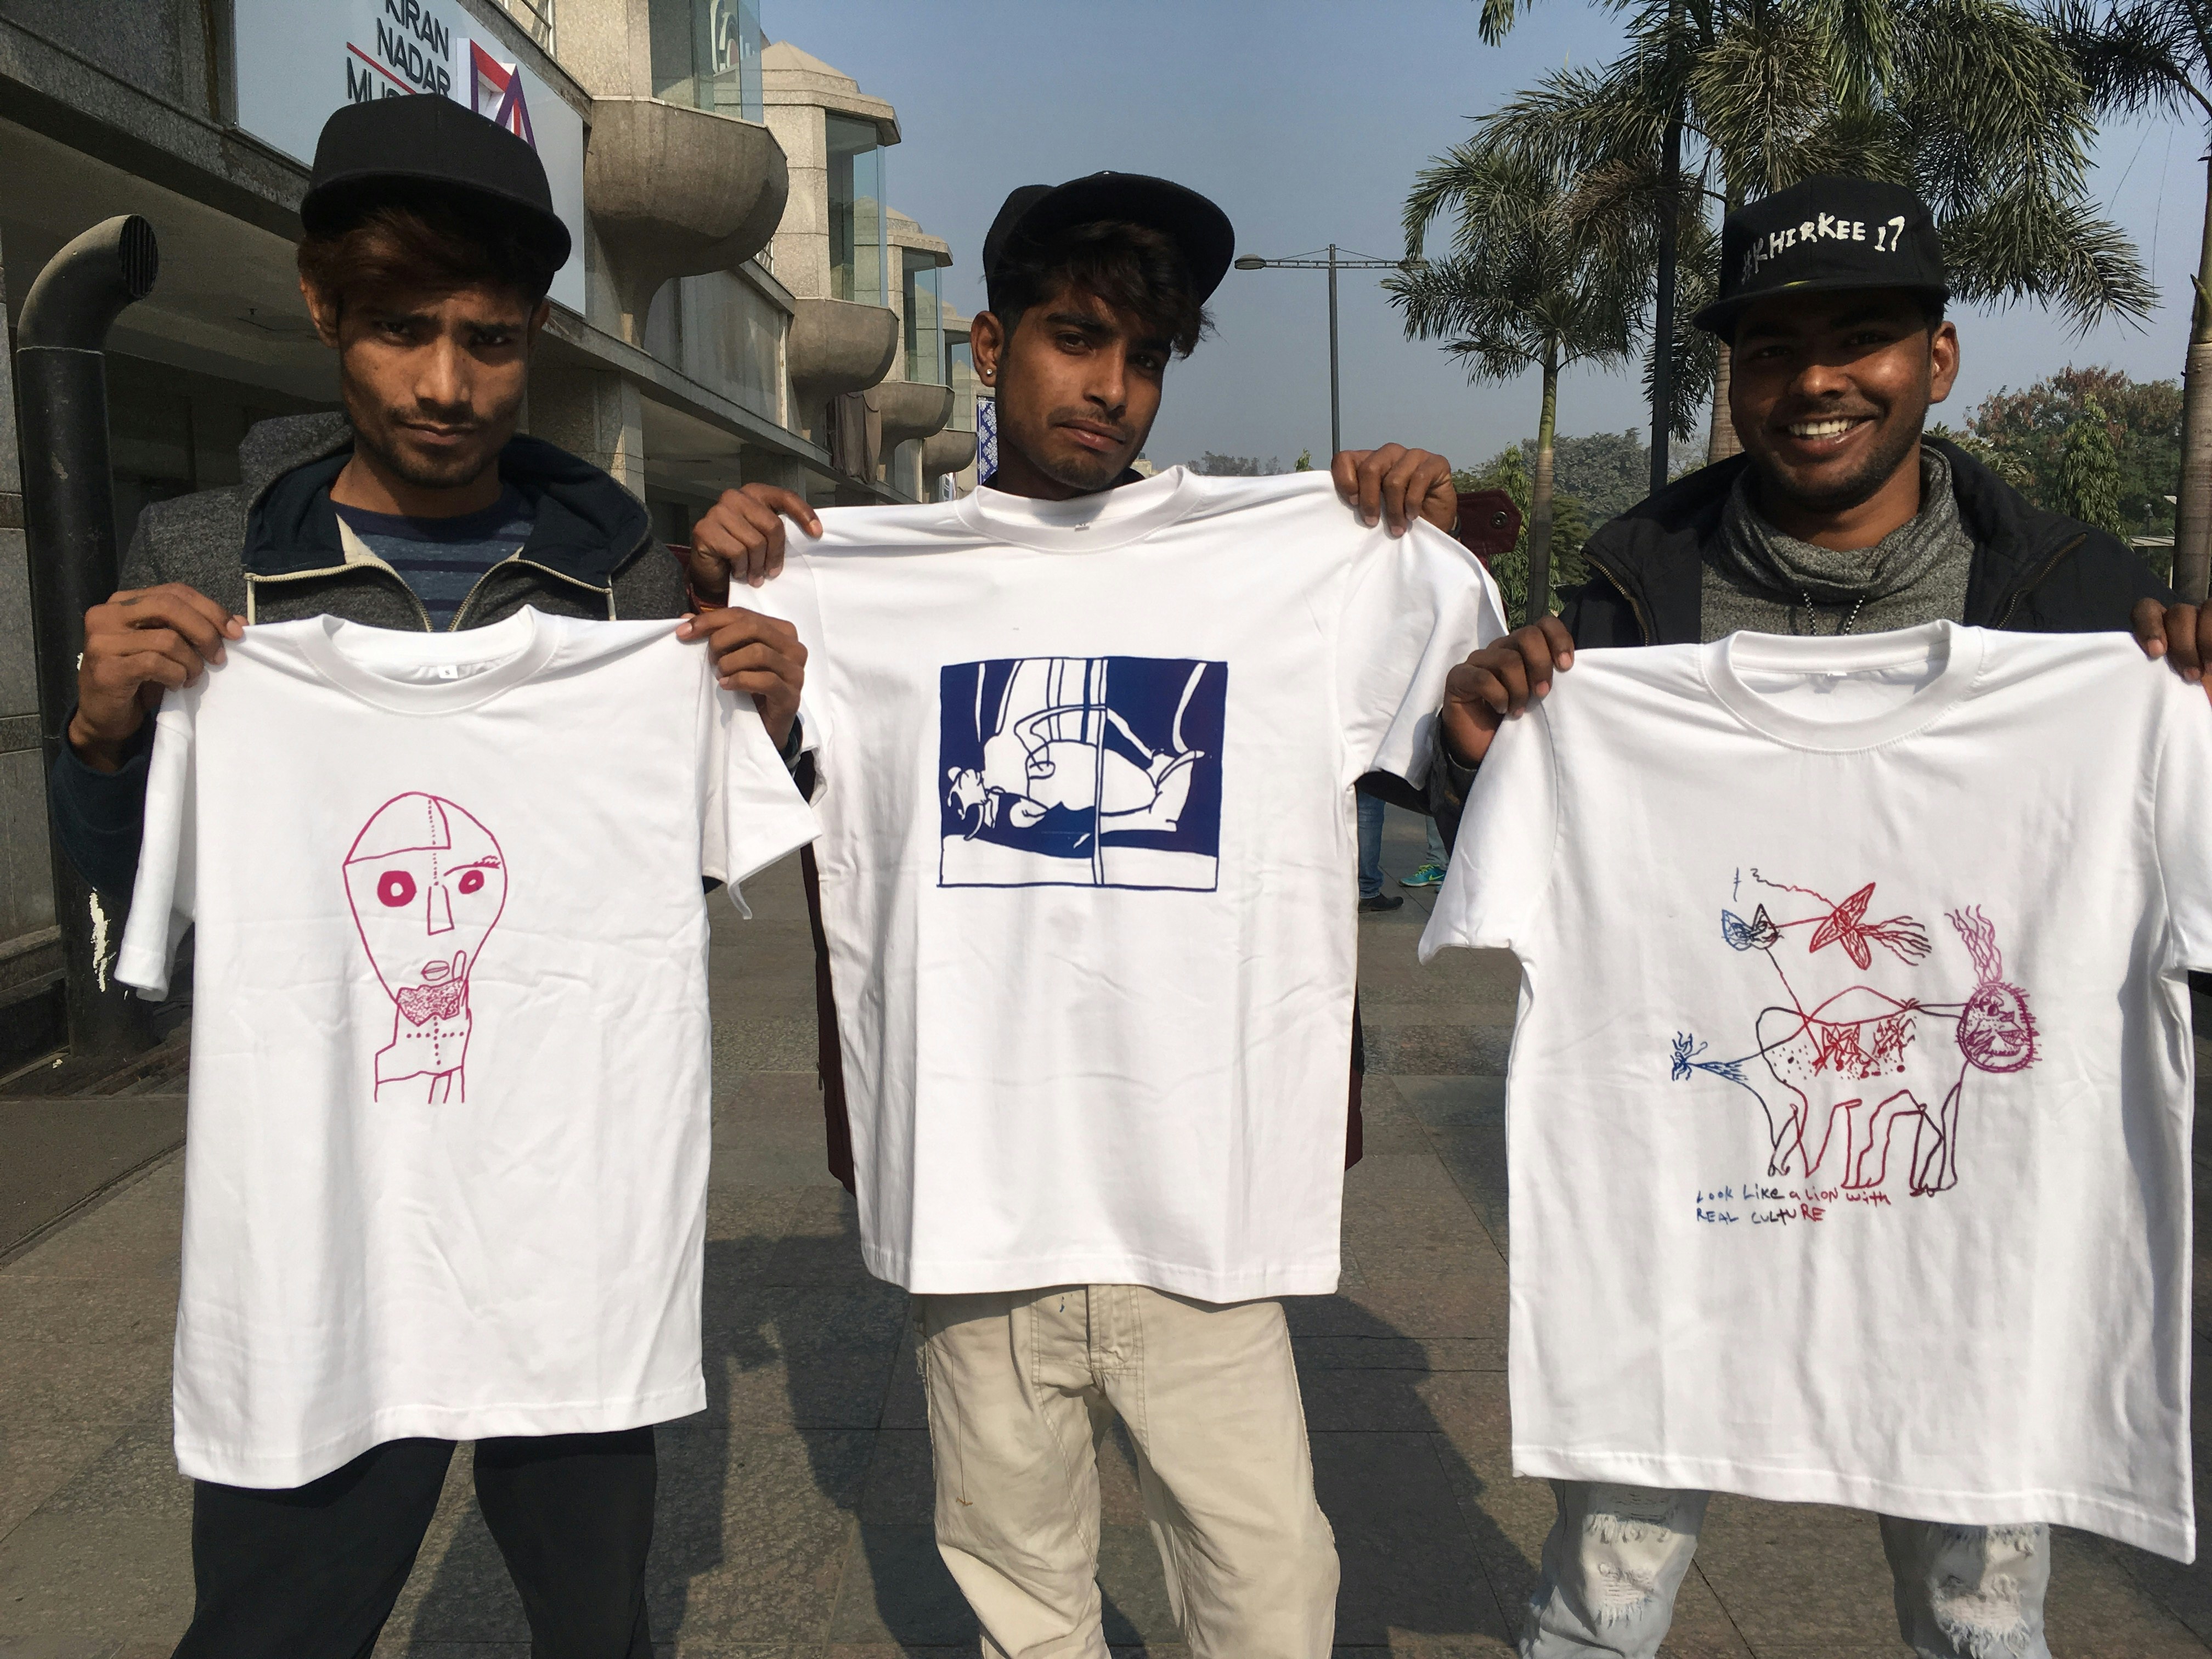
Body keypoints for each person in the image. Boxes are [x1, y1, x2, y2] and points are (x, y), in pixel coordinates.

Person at [48, 96, 805, 1657]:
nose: (450, 385)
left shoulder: (627, 582)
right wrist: (103, 740)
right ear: (322, 305)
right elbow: (141, 935)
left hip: (567, 1228)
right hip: (321, 1234)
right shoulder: (208, 557)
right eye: (402, 330)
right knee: (270, 1630)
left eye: (495, 339)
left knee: (595, 1629)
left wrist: (772, 726)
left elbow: (701, 866)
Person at [713, 172, 1490, 1658]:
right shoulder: (846, 576)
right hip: (975, 1206)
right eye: (1079, 340)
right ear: (992, 344)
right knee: (1027, 1610)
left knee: (1273, 1598)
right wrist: (732, 585)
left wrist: (1423, 548)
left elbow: (1465, 758)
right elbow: (743, 799)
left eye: (1146, 356)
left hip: (1200, 1205)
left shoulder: (1302, 566)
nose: (1115, 387)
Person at [1439, 174, 2197, 1659]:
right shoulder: (1620, 619)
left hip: (1976, 1268)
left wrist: (2184, 718)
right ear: (1734, 375)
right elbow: (1513, 880)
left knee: (1984, 1623)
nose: (1818, 381)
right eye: (1776, 348)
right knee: (1603, 1602)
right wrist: (1473, 755)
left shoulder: (2082, 615)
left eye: (1863, 337)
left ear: (1939, 357)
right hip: (1679, 1268)